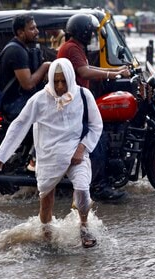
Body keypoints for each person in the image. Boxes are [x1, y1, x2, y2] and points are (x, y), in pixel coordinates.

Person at [0, 58, 104, 248]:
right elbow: (19, 125)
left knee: (83, 189)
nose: (59, 86)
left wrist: (82, 148)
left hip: (76, 153)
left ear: (70, 78)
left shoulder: (84, 95)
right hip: (49, 156)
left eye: (63, 81)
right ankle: (46, 235)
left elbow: (96, 125)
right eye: (56, 81)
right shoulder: (39, 100)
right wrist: (1, 155)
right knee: (46, 201)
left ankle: (84, 226)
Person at [57, 13, 131, 201]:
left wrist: (115, 71)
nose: (92, 36)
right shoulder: (72, 48)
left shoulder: (75, 48)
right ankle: (98, 186)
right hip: (72, 106)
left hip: (78, 102)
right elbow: (85, 72)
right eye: (90, 32)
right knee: (97, 140)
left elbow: (89, 68)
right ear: (83, 32)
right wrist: (113, 75)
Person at [0, 14, 51, 121]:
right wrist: (45, 66)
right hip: (14, 106)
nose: (37, 31)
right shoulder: (16, 51)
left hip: (17, 102)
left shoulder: (21, 48)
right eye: (32, 29)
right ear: (20, 32)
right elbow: (28, 84)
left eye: (36, 27)